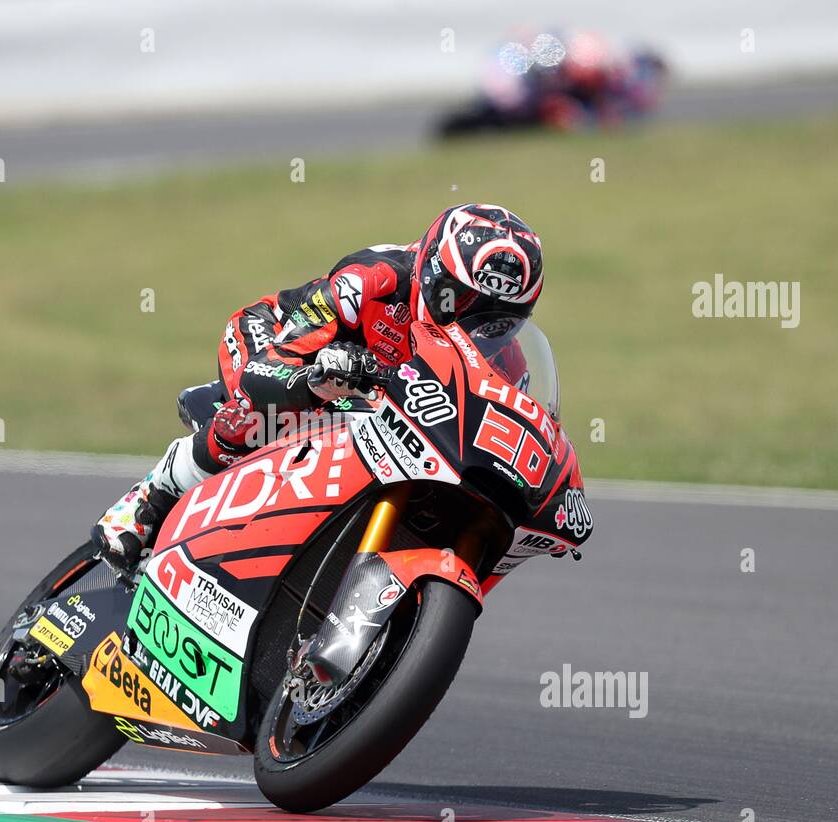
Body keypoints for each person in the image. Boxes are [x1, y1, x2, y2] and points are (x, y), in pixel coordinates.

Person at [91, 202, 545, 576]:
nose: (466, 320)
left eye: (494, 317)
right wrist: (321, 375)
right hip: (276, 343)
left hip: (371, 407)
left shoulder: (507, 360)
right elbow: (278, 360)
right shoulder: (375, 278)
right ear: (430, 268)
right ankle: (153, 497)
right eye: (456, 299)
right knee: (269, 414)